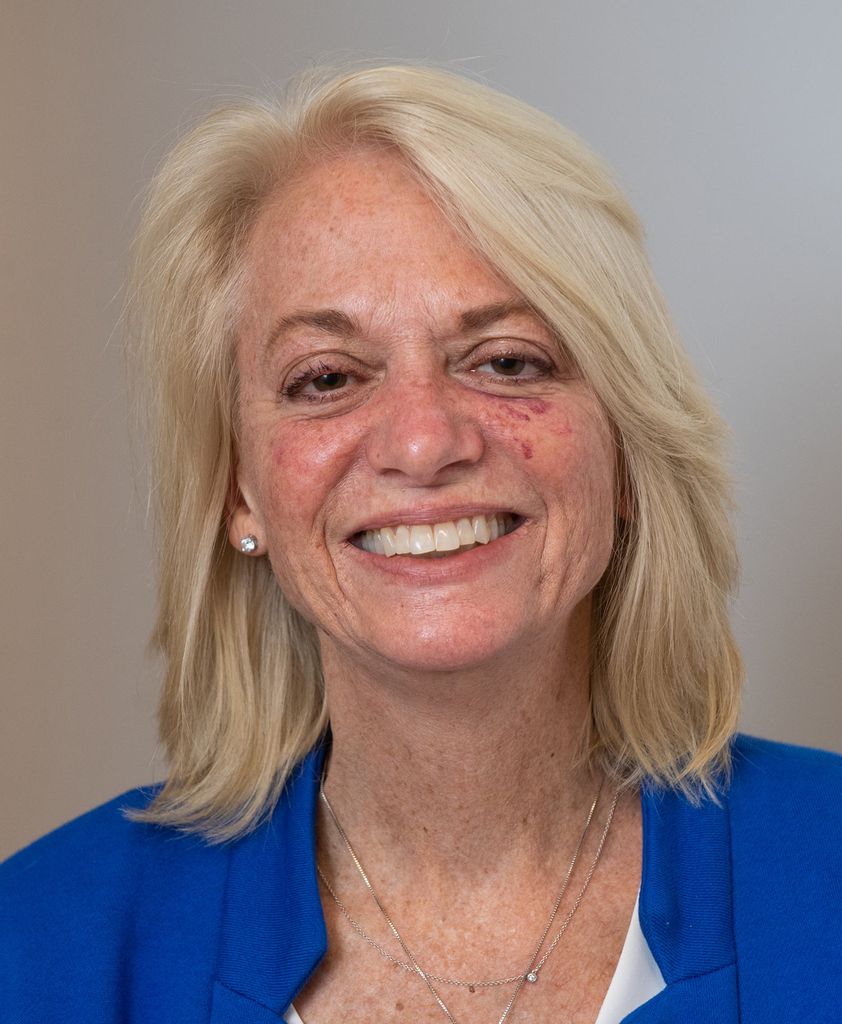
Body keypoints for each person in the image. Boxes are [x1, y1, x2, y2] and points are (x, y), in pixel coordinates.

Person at [1, 63, 840, 1024]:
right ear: (240, 489)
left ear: (624, 448)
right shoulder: (34, 951)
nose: (423, 442)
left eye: (506, 360)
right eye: (326, 378)